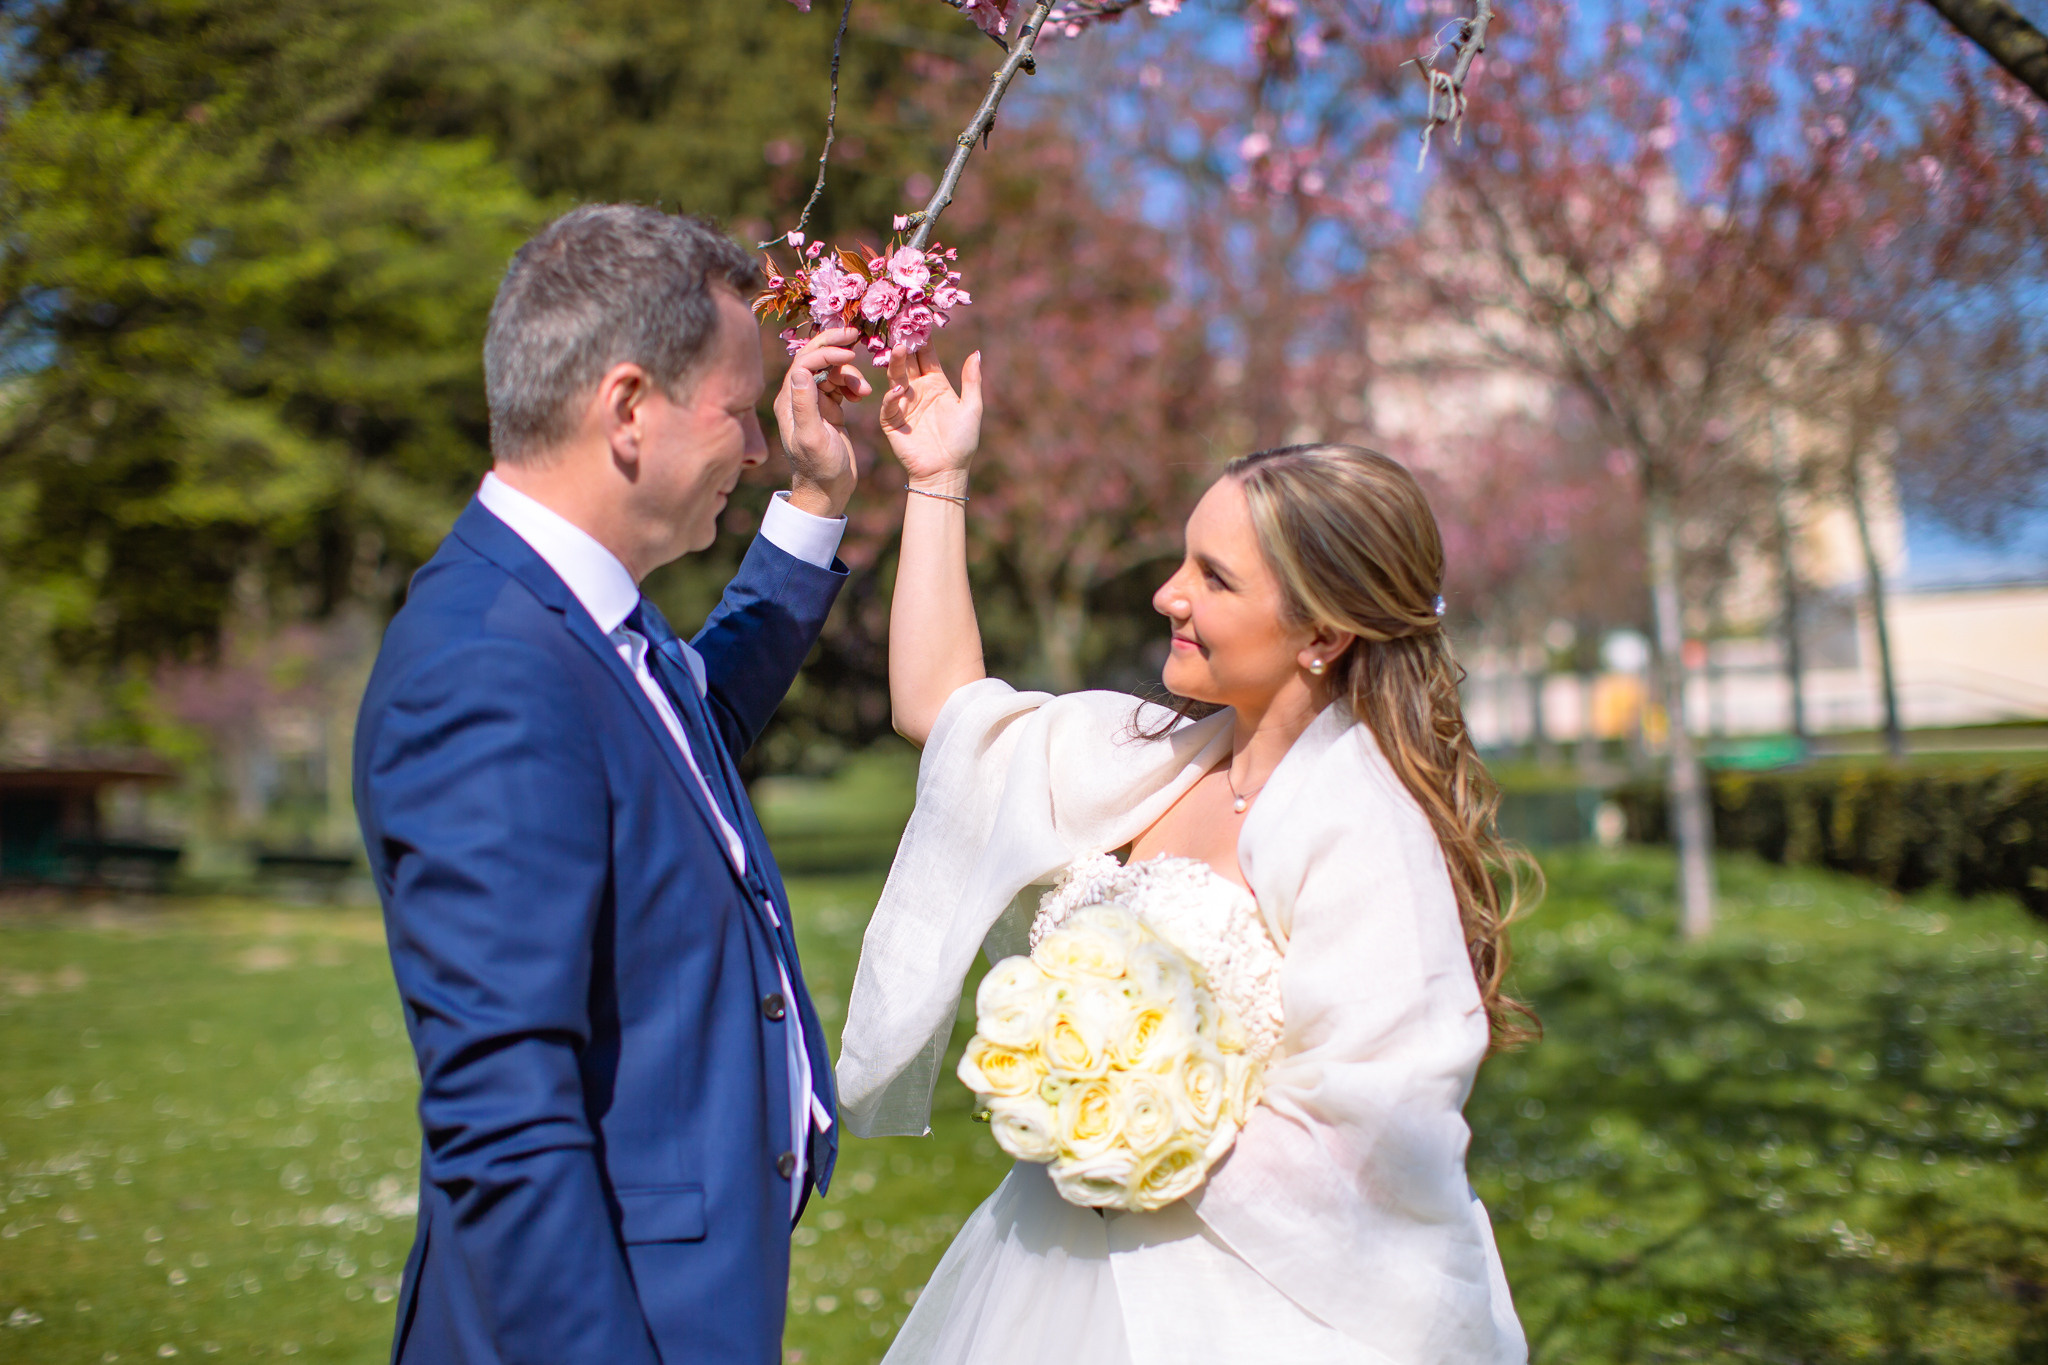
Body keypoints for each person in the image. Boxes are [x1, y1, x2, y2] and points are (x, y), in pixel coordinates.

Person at [837, 346, 1537, 1364]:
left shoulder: (1364, 830)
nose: (1167, 594)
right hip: (1040, 1274)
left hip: (1237, 1309)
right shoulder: (1147, 758)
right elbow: (942, 713)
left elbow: (1376, 1124)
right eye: (1181, 560)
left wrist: (1132, 1123)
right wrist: (937, 477)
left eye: (1212, 577)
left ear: (1321, 634)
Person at [353, 204, 874, 1365]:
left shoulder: (578, 622)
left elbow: (684, 739)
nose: (754, 449)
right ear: (628, 409)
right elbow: (502, 1116)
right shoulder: (485, 668)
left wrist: (815, 502)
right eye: (739, 414)